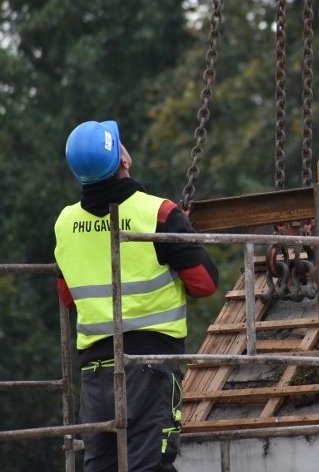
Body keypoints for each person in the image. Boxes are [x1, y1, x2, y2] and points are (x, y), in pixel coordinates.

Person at [54, 120, 218, 472]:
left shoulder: (65, 223)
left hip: (96, 374)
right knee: (149, 465)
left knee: (101, 465)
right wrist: (182, 238)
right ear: (122, 160)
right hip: (149, 369)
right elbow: (204, 283)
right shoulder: (158, 213)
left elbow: (69, 298)